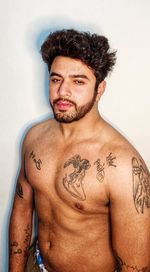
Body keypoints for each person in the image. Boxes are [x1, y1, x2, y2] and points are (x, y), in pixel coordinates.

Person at [9, 29, 150, 272]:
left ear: (100, 89)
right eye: (56, 79)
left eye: (78, 81)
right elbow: (22, 209)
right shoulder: (34, 137)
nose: (63, 91)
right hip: (37, 264)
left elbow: (137, 266)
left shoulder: (123, 166)